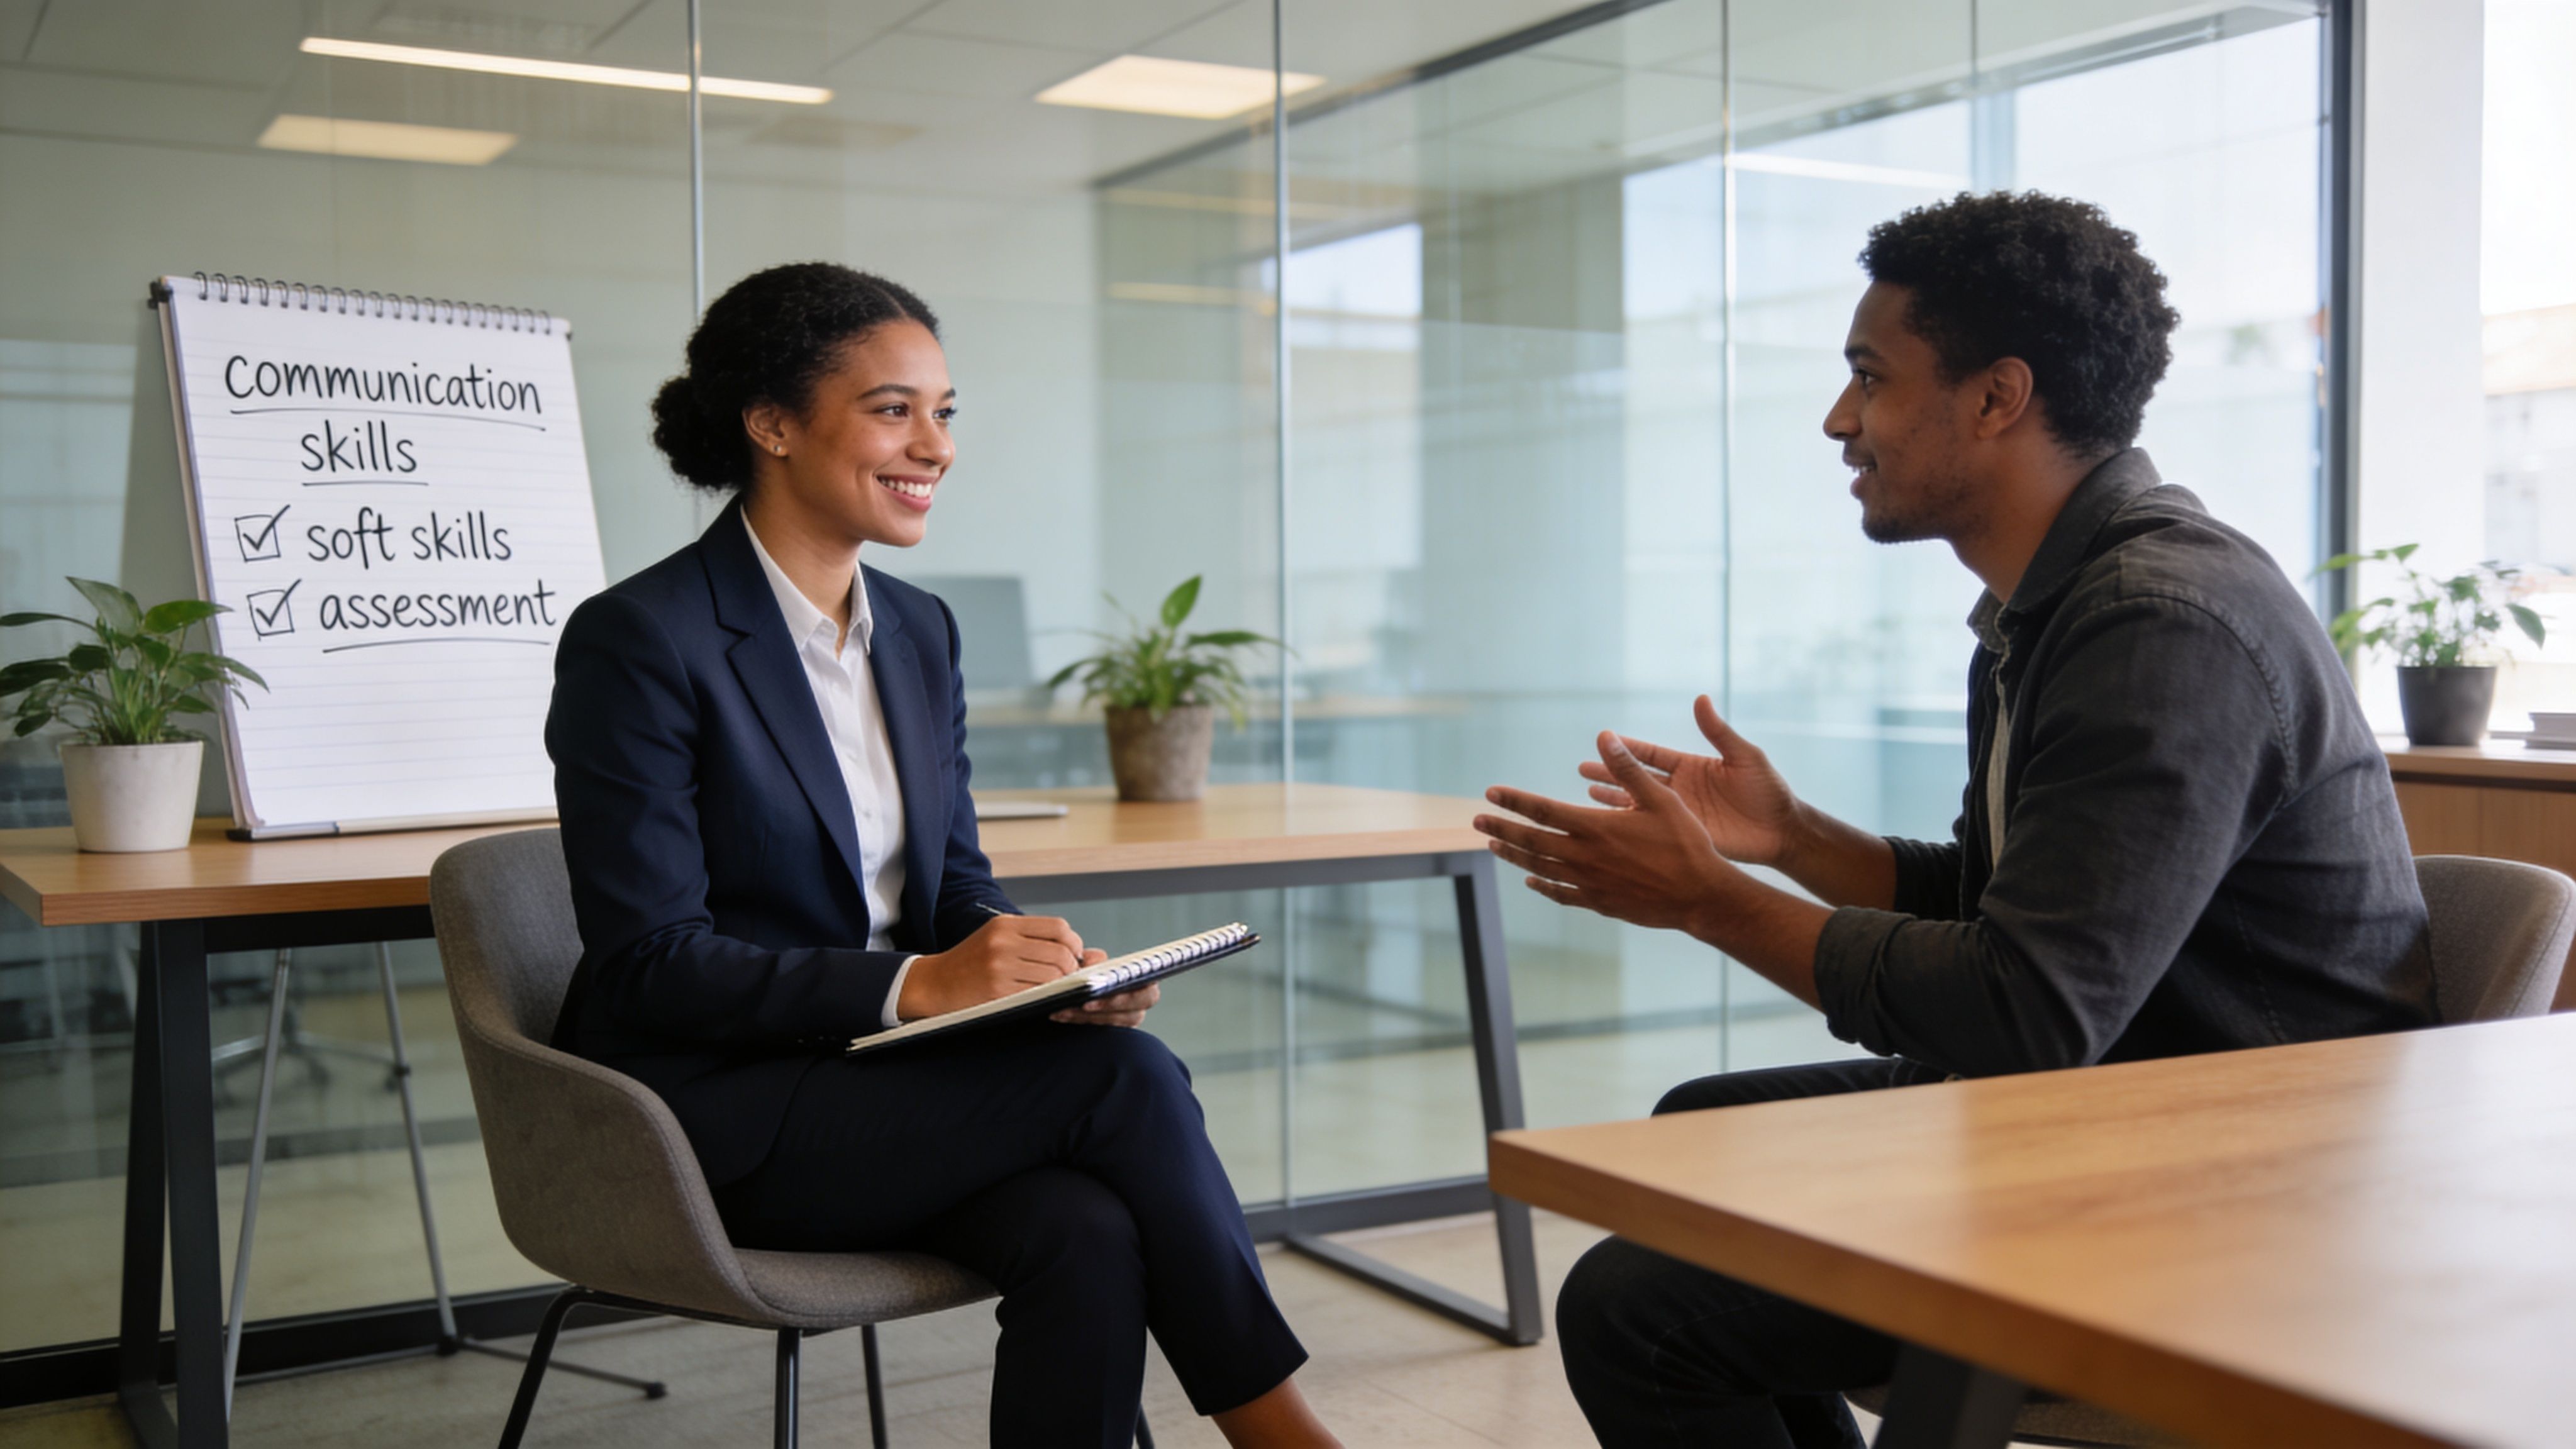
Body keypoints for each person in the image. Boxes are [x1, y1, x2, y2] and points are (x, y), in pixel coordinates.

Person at [1471, 192, 2436, 1448]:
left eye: (1866, 379)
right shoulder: (2047, 608)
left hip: (2235, 1176)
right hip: (2111, 1101)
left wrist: (1705, 897)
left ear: (1994, 399)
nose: (1836, 421)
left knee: (1633, 1310)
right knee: (1700, 1135)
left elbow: (2025, 1009)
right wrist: (1796, 840)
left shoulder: (2158, 621)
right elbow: (2019, 913)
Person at [545, 262, 1336, 1449]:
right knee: (1128, 1086)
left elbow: (952, 877)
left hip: (886, 1083)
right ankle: (1281, 1435)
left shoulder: (920, 631)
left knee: (1085, 1226)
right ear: (770, 425)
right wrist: (921, 984)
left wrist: (1039, 973)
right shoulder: (640, 641)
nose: (936, 446)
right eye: (893, 409)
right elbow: (650, 963)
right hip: (712, 1114)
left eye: (946, 410)